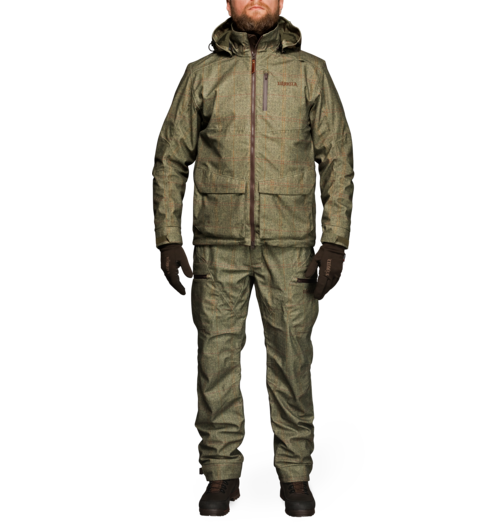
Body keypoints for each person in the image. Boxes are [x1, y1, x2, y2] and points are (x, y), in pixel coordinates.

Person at [152, 0, 354, 518]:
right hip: (217, 246)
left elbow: (336, 157)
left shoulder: (310, 72)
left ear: (282, 3)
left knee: (292, 359)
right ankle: (221, 474)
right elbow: (171, 157)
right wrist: (168, 238)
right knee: (215, 361)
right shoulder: (201, 74)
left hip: (291, 245)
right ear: (228, 4)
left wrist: (334, 240)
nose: (255, 0)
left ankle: (295, 473)